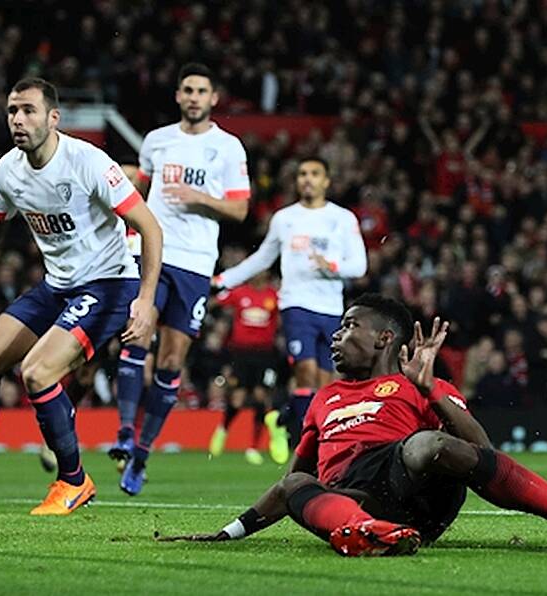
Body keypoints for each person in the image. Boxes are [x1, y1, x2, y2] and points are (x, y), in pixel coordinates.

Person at [157, 294, 547, 556]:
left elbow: (481, 451)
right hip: (358, 498)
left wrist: (430, 392)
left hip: (414, 485)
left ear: (385, 338)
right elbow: (293, 483)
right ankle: (376, 534)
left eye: (348, 327)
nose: (335, 336)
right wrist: (230, 532)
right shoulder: (323, 399)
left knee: (425, 445)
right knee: (295, 488)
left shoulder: (420, 384)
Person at [0, 77, 162, 515]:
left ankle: (74, 481)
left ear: (53, 117)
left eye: (28, 110)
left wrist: (146, 299)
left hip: (109, 284)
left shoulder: (88, 162)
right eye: (12, 111)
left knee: (38, 372)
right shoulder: (9, 169)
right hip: (57, 286)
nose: (18, 120)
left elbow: (150, 226)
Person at [110, 63, 251, 496]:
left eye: (201, 91)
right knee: (136, 336)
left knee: (171, 361)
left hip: (196, 262)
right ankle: (123, 434)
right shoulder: (157, 140)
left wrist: (200, 198)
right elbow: (144, 187)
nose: (193, 97)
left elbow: (240, 210)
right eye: (186, 89)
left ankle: (142, 455)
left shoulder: (228, 148)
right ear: (178, 96)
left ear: (213, 98)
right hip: (152, 251)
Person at [214, 157, 367, 441]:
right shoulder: (285, 219)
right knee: (305, 371)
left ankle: (307, 432)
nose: (307, 179)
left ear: (327, 181)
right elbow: (262, 258)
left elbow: (359, 266)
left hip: (332, 309)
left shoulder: (343, 219)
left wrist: (331, 266)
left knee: (326, 381)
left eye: (314, 174)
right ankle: (299, 440)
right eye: (302, 174)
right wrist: (223, 280)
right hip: (296, 305)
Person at [208, 270, 286, 465]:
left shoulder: (274, 296)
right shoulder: (239, 293)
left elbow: (284, 317)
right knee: (237, 398)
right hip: (241, 354)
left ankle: (253, 447)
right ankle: (223, 429)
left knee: (262, 396)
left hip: (265, 355)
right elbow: (215, 301)